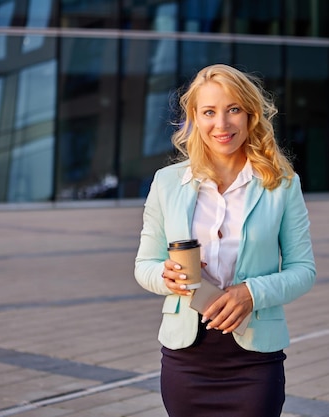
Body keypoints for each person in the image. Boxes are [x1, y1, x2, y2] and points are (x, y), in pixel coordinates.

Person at [134, 63, 316, 417]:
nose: (222, 123)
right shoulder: (167, 182)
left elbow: (303, 270)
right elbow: (145, 265)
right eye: (209, 112)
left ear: (250, 115)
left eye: (233, 109)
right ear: (194, 118)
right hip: (186, 359)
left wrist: (251, 293)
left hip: (253, 361)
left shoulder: (281, 184)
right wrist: (164, 276)